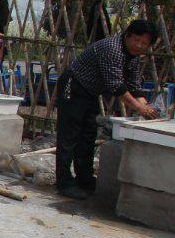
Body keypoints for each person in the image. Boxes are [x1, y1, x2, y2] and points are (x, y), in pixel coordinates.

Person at [55, 20, 159, 199]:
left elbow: (133, 84)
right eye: (137, 40)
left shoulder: (133, 56)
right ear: (128, 36)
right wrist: (140, 108)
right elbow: (116, 86)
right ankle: (64, 182)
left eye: (145, 43)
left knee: (88, 136)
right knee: (69, 136)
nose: (139, 46)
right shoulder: (112, 48)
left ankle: (85, 179)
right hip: (74, 86)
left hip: (90, 92)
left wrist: (146, 107)